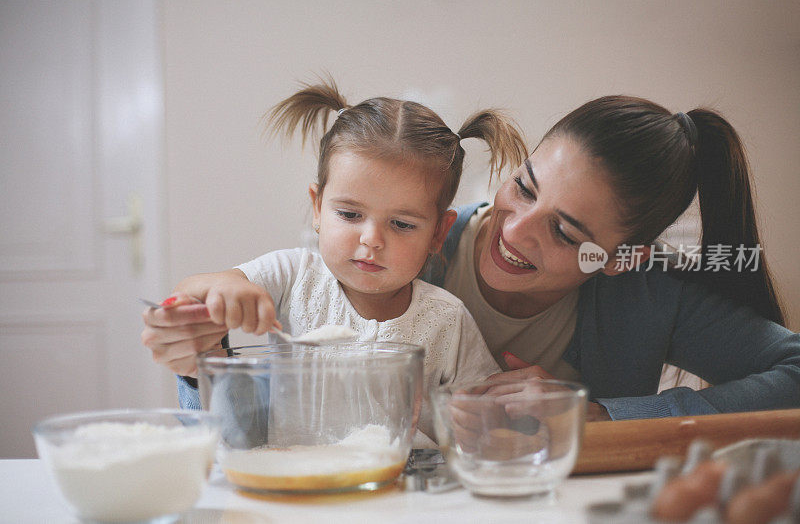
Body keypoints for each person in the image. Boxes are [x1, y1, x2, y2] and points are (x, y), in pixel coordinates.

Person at [143, 94, 800, 422]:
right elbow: (261, 392)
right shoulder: (398, 240)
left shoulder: (649, 296)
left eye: (566, 232)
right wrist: (202, 354)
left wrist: (597, 414)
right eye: (524, 185)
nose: (515, 231)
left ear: (621, 256)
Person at [142, 78, 529, 442]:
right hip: (299, 481)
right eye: (349, 215)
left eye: (401, 224)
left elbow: (485, 413)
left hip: (404, 489)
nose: (372, 240)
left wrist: (471, 417)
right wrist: (226, 290)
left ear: (438, 234)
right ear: (317, 207)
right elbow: (192, 290)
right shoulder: (293, 275)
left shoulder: (447, 318)